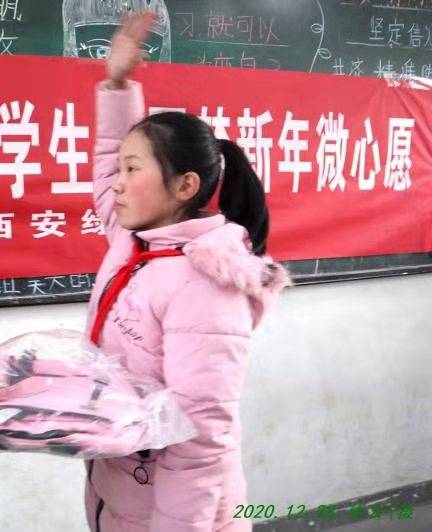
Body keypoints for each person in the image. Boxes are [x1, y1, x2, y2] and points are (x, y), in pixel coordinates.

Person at [83, 13, 290, 532]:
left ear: (184, 187)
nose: (118, 184)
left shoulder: (206, 282)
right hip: (121, 490)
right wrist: (116, 85)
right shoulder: (133, 241)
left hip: (175, 513)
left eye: (134, 170)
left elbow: (199, 436)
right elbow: (109, 161)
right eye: (121, 169)